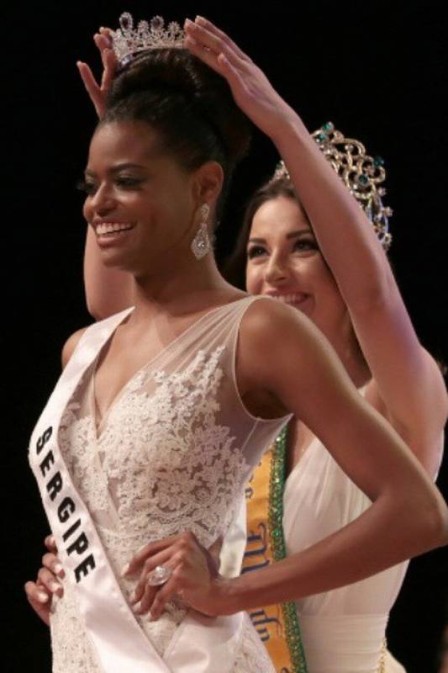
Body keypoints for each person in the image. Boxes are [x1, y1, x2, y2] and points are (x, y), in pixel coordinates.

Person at [24, 13, 448, 673]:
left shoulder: (400, 397)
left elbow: (372, 299)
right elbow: (114, 317)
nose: (274, 271)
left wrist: (280, 124)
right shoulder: (238, 396)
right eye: (256, 250)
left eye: (304, 246)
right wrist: (132, 149)